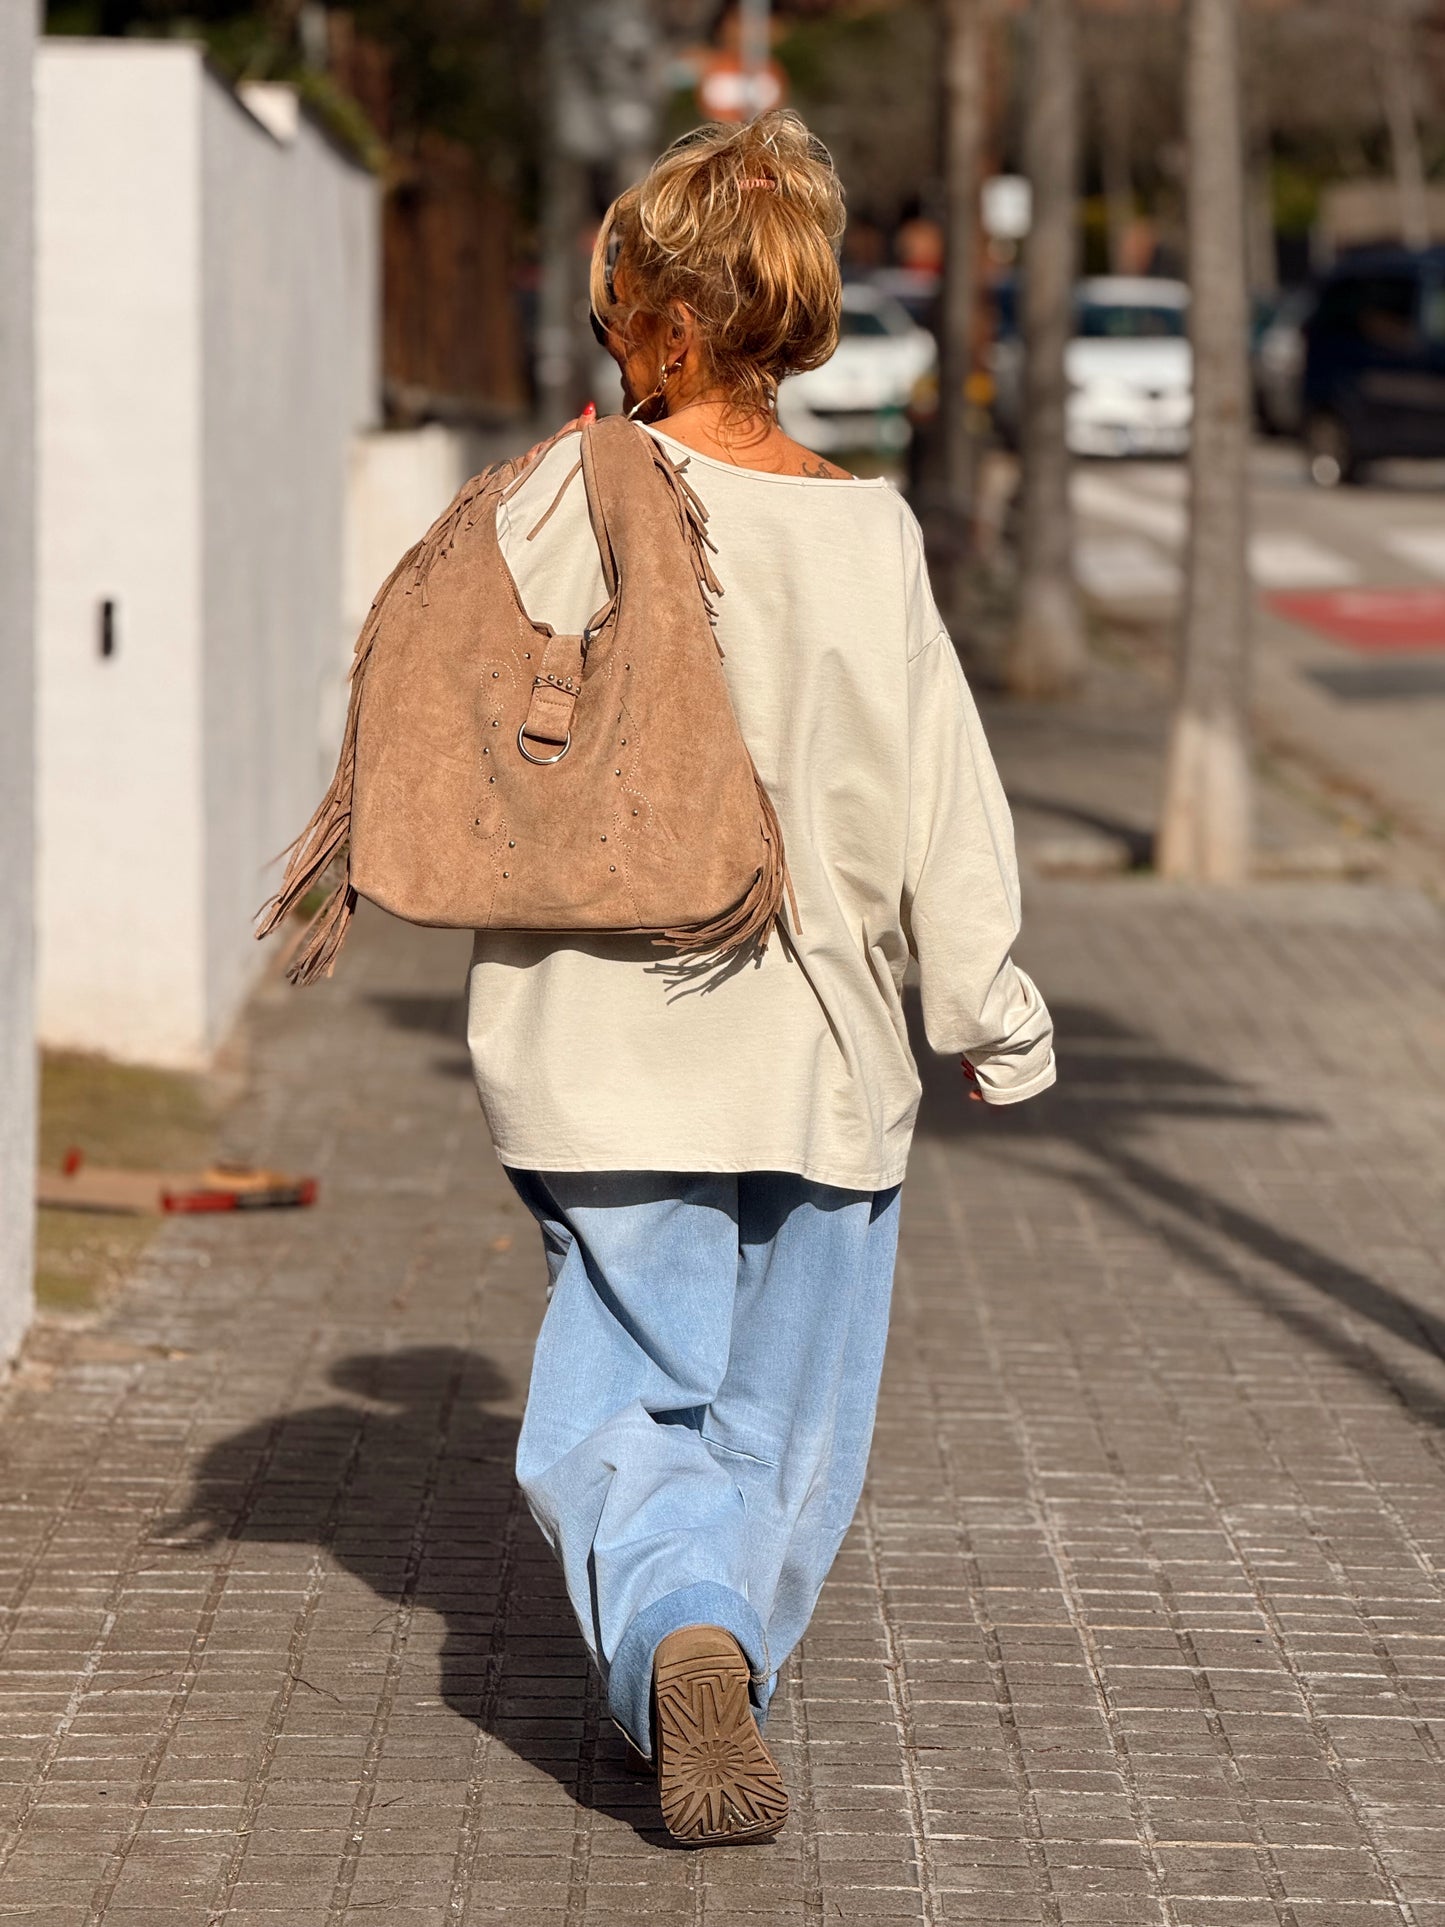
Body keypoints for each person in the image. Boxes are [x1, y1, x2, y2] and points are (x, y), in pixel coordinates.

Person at [466, 110, 1056, 1848]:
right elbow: (940, 796)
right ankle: (707, 1650)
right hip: (819, 1057)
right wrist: (986, 1013)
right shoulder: (866, 534)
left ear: (647, 317)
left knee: (625, 1389)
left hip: (594, 1039)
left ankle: (671, 1641)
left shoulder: (564, 495)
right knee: (781, 1431)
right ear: (795, 318)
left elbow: (472, 726)